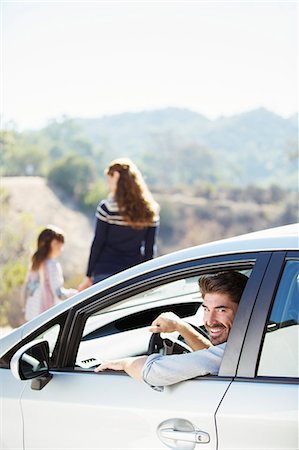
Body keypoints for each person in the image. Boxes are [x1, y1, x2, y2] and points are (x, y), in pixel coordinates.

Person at [95, 271, 248, 390]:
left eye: (221, 310)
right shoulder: (249, 345)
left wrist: (125, 363)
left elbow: (153, 372)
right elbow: (210, 357)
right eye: (207, 309)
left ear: (245, 311)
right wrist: (180, 326)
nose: (210, 321)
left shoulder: (238, 352)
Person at [78, 158, 159, 290]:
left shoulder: (107, 208)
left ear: (116, 180)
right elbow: (149, 250)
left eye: (109, 180)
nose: (108, 185)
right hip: (132, 275)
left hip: (105, 273)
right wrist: (145, 279)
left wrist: (88, 275)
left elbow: (98, 243)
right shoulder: (149, 211)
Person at [24, 226, 78, 322]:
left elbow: (27, 289)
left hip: (32, 314)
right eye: (61, 245)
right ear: (54, 244)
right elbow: (58, 294)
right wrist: (76, 294)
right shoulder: (52, 265)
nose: (62, 249)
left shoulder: (34, 263)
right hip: (45, 315)